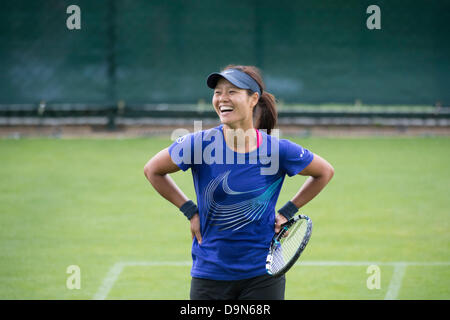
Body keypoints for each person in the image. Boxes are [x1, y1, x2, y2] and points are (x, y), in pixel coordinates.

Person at [144, 65, 334, 300]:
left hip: (263, 274)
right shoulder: (199, 144)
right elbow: (152, 170)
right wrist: (190, 211)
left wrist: (287, 212)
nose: (222, 98)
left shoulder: (277, 149)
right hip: (210, 273)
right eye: (217, 92)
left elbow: (324, 172)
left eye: (232, 91)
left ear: (253, 98)